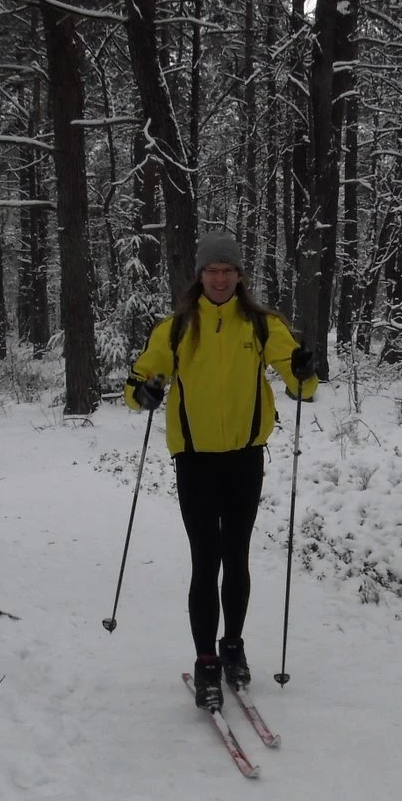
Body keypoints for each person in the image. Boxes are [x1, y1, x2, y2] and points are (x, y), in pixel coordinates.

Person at [124, 229, 319, 712]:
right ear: (200, 275)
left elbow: (302, 386)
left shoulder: (260, 324)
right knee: (205, 559)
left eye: (228, 270)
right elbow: (141, 380)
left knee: (237, 556)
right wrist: (144, 393)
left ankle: (233, 646)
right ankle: (207, 660)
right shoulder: (175, 328)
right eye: (212, 270)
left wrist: (303, 367)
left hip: (244, 458)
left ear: (239, 275)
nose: (220, 278)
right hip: (194, 460)